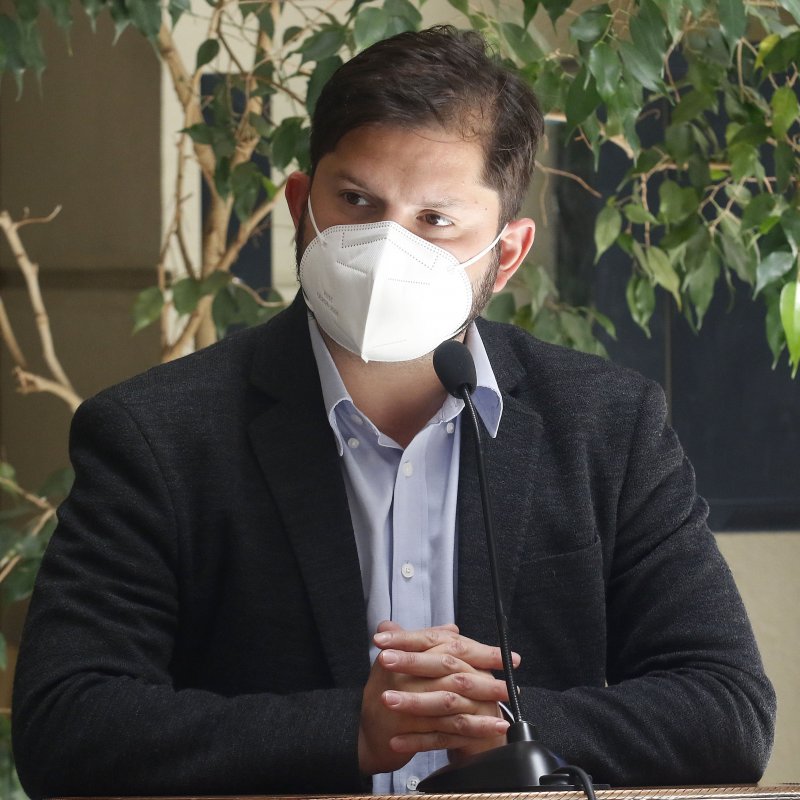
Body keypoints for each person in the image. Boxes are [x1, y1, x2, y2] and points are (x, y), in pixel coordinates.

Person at [12, 26, 774, 800]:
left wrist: (510, 723)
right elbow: (66, 725)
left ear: (507, 255)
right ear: (301, 206)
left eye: (435, 220)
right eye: (356, 202)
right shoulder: (158, 434)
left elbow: (728, 710)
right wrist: (348, 729)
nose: (385, 248)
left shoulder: (607, 425)